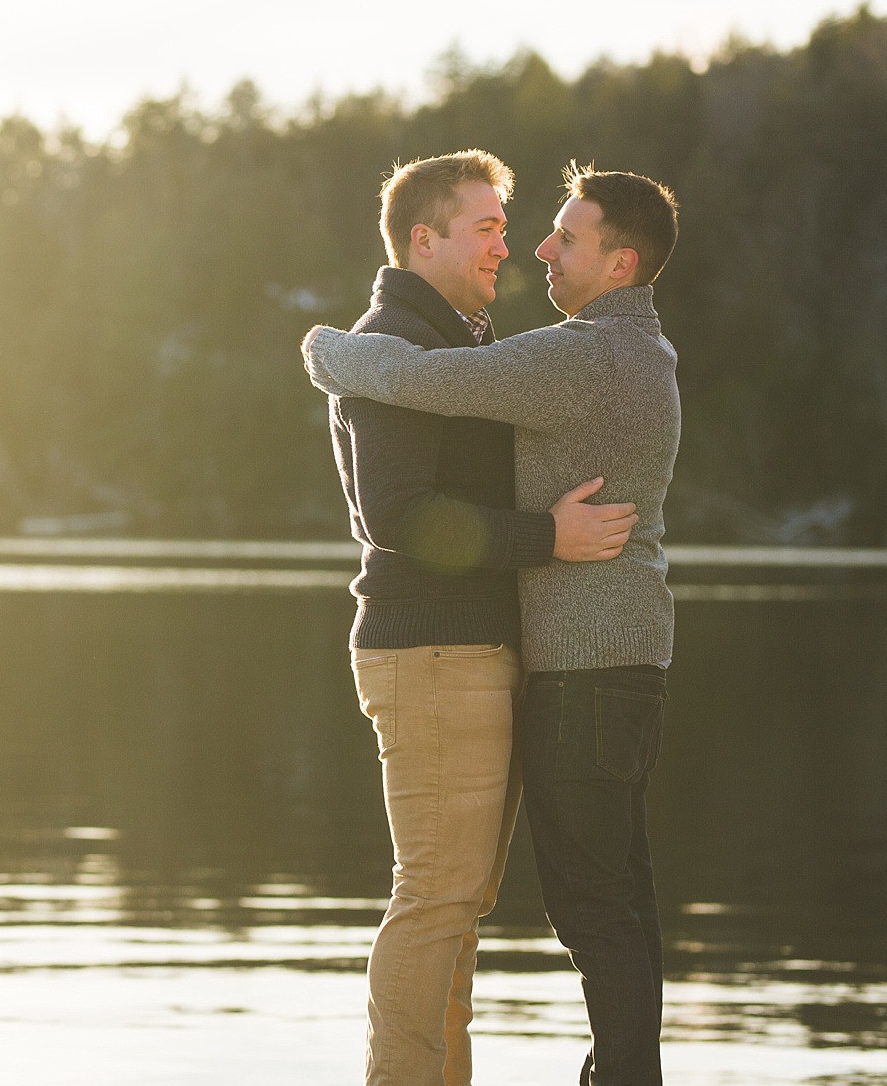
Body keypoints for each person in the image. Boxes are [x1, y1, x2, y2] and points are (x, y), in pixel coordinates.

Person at [304, 164, 682, 1086]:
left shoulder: (572, 351)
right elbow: (397, 507)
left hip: (547, 654)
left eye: (551, 233)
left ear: (620, 264)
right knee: (466, 898)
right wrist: (546, 535)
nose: (520, 247)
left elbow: (436, 383)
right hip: (450, 646)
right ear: (422, 240)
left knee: (512, 901)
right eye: (490, 227)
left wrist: (321, 350)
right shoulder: (412, 334)